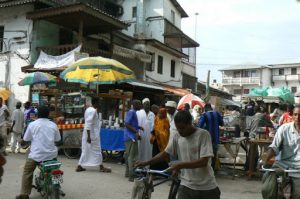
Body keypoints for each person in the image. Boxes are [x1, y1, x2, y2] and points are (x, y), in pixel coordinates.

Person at [136, 110, 221, 199]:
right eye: (178, 128)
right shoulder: (177, 136)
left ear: (190, 123)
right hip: (186, 186)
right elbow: (165, 154)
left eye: (183, 128)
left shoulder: (203, 135)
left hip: (207, 187)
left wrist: (179, 165)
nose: (180, 131)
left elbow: (203, 162)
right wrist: (146, 162)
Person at [16, 106, 61, 199]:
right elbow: (58, 139)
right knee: (55, 169)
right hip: (51, 155)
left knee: (27, 171)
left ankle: (24, 194)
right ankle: (57, 186)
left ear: (37, 114)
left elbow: (26, 139)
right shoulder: (53, 125)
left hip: (36, 155)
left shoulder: (32, 125)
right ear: (48, 114)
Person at [261, 104, 300, 198]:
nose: (297, 117)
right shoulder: (284, 128)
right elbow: (274, 147)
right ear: (292, 115)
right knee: (267, 189)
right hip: (283, 165)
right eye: (295, 114)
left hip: (298, 170)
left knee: (297, 195)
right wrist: (265, 160)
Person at [76, 97, 111, 173]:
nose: (100, 104)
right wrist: (89, 137)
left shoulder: (88, 109)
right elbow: (88, 123)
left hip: (90, 134)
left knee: (85, 150)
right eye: (99, 103)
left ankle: (79, 165)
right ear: (96, 103)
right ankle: (101, 167)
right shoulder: (93, 111)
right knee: (97, 150)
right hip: (92, 135)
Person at [198, 103, 224, 169]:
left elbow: (199, 126)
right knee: (214, 154)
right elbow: (222, 124)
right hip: (215, 138)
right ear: (211, 108)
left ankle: (206, 168)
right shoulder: (217, 114)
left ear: (205, 109)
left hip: (207, 138)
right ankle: (212, 169)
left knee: (206, 153)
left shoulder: (204, 115)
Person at [124, 99, 142, 181]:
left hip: (130, 136)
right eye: (139, 104)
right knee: (132, 156)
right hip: (131, 137)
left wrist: (139, 127)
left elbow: (132, 124)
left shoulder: (133, 112)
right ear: (135, 105)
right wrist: (136, 132)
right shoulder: (132, 112)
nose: (140, 106)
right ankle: (132, 175)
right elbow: (127, 124)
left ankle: (127, 173)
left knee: (129, 155)